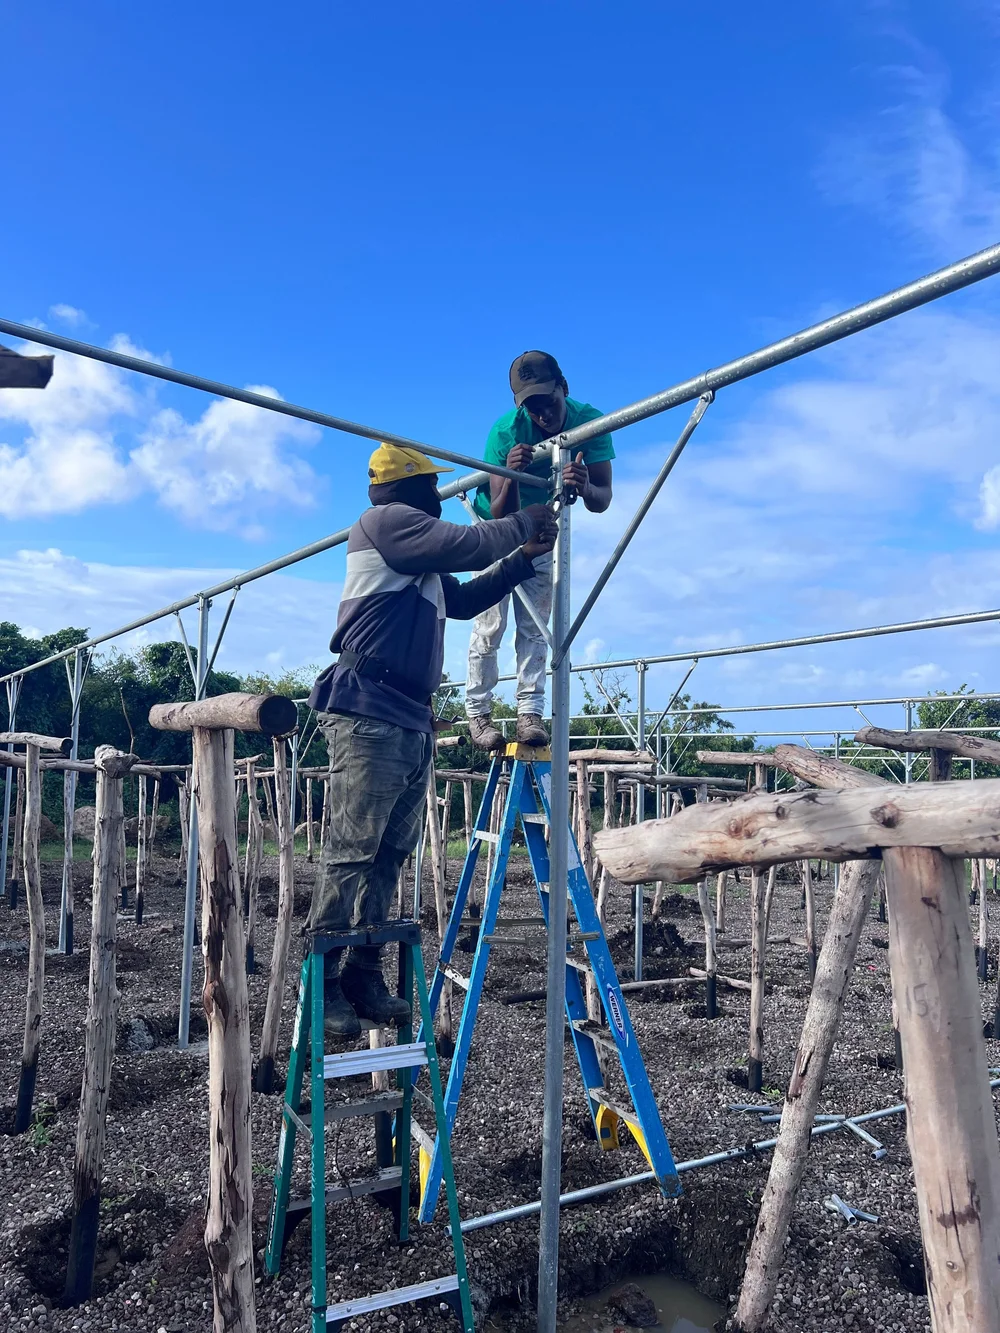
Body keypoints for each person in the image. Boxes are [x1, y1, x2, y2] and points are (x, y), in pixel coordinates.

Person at [306, 442, 557, 1037]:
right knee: (353, 851)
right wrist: (524, 522)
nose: (437, 496)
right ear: (410, 488)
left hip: (407, 715)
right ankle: (322, 982)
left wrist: (522, 559)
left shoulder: (416, 557)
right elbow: (469, 544)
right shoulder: (386, 523)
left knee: (390, 852)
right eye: (431, 486)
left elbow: (463, 600)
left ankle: (363, 972)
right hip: (368, 710)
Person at [465, 350, 615, 749]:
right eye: (532, 408)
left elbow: (602, 499)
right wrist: (512, 474)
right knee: (490, 624)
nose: (543, 415)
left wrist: (584, 485)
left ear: (564, 388)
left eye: (549, 401)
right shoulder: (506, 432)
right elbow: (500, 510)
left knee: (536, 626)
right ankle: (478, 713)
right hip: (496, 529)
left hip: (542, 529)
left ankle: (529, 712)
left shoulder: (590, 422)